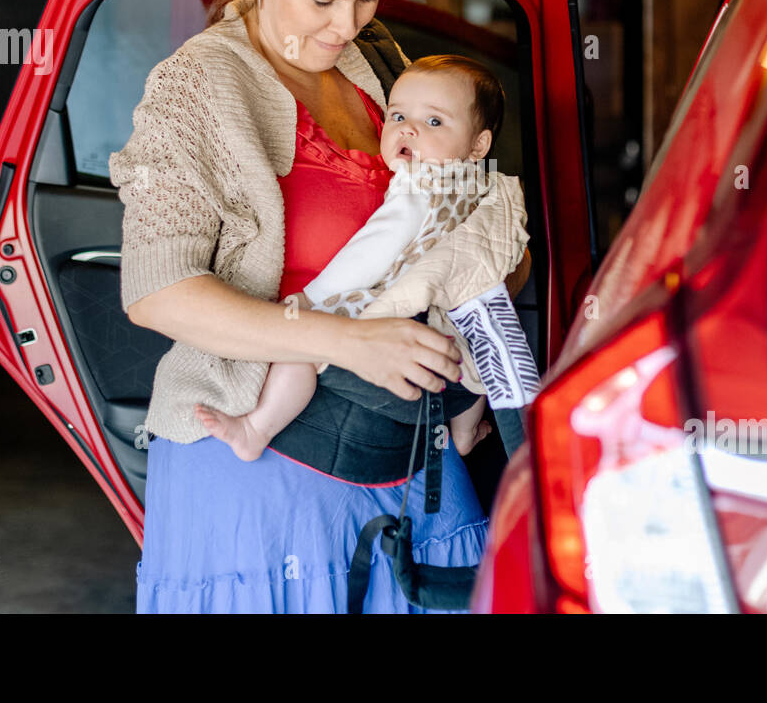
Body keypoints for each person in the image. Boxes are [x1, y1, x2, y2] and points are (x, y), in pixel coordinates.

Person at [109, 0, 531, 613]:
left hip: (403, 449)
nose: (347, 26)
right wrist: (345, 339)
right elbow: (157, 293)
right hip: (260, 465)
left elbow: (452, 197)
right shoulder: (197, 87)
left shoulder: (375, 62)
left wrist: (489, 259)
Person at [194, 54, 539, 463]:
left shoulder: (420, 184)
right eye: (397, 116)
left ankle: (256, 428)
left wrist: (312, 299)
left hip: (398, 318)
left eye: (434, 122)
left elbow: (375, 248)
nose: (408, 129)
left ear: (478, 144)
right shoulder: (479, 186)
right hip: (454, 337)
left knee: (299, 344)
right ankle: (463, 435)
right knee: (477, 353)